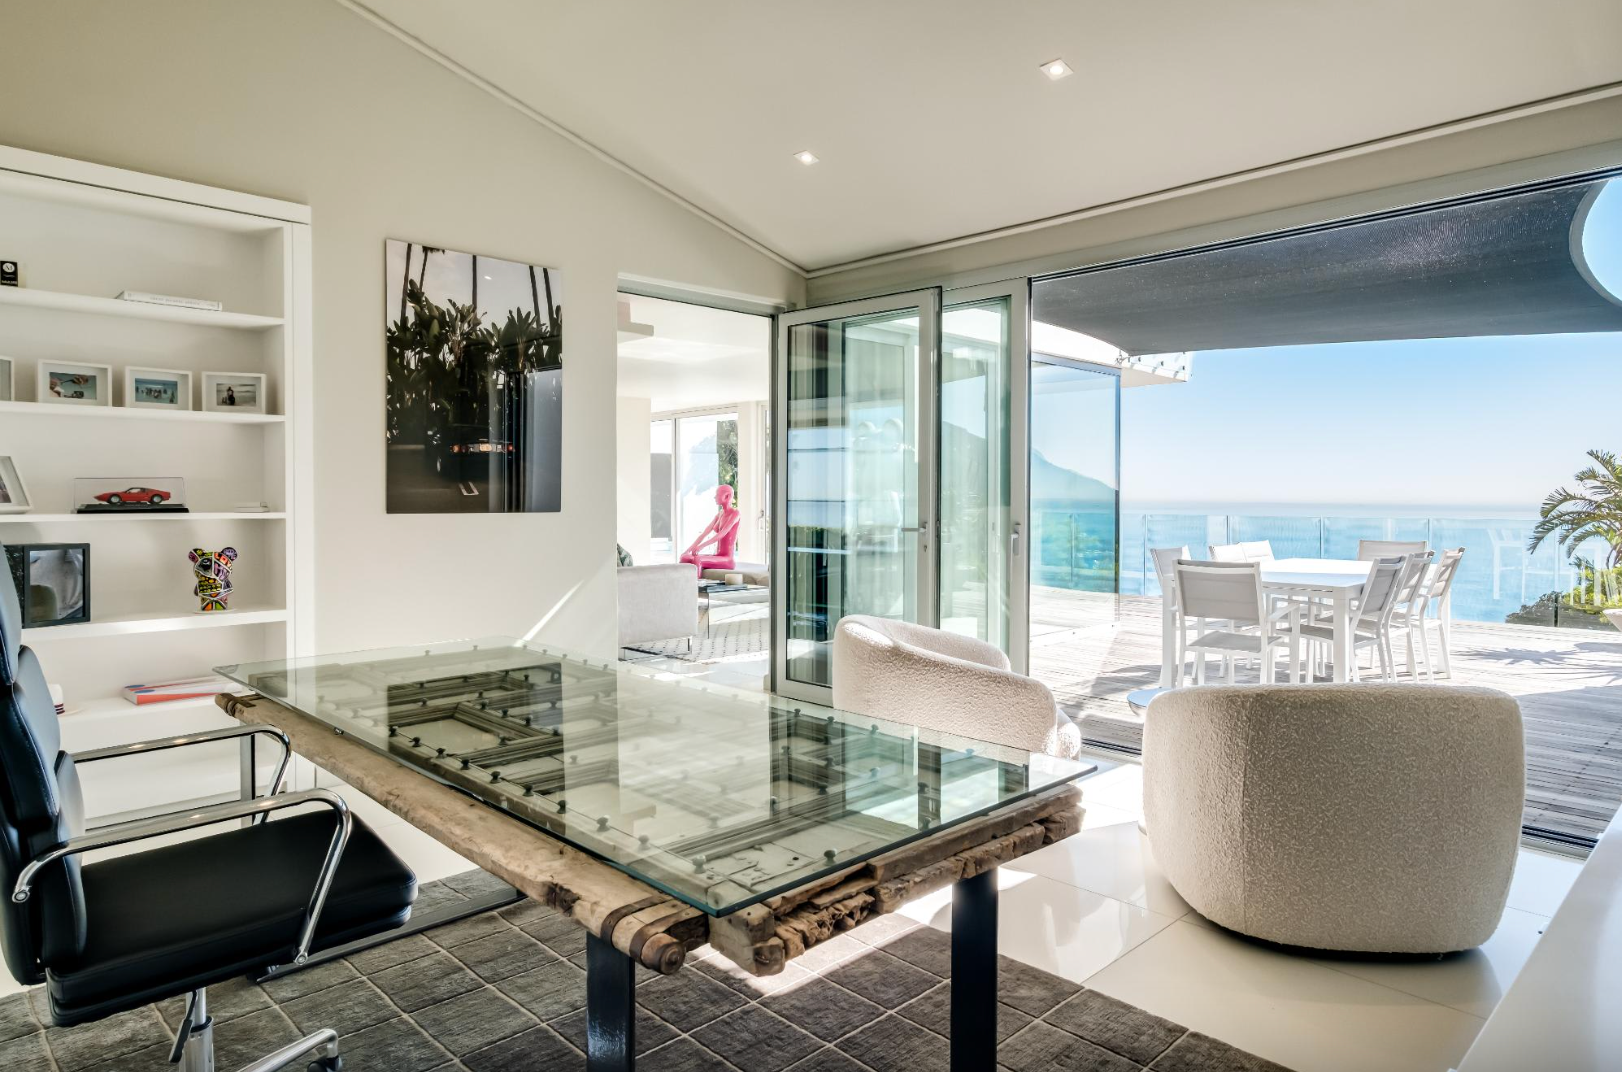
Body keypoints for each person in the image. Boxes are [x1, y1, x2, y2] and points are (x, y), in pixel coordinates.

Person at [680, 484, 740, 572]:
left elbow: (722, 534)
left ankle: (696, 585)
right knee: (684, 558)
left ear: (727, 496)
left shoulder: (735, 513)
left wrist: (701, 546)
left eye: (717, 495)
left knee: (698, 560)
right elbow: (704, 533)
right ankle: (683, 584)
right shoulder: (720, 514)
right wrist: (688, 550)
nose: (715, 497)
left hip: (727, 559)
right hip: (717, 556)